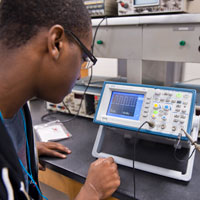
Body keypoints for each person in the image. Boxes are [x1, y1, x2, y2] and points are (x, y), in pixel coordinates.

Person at [0, 0, 120, 199]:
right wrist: (91, 192)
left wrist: (22, 150)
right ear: (56, 43)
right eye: (83, 58)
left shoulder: (16, 107)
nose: (81, 75)